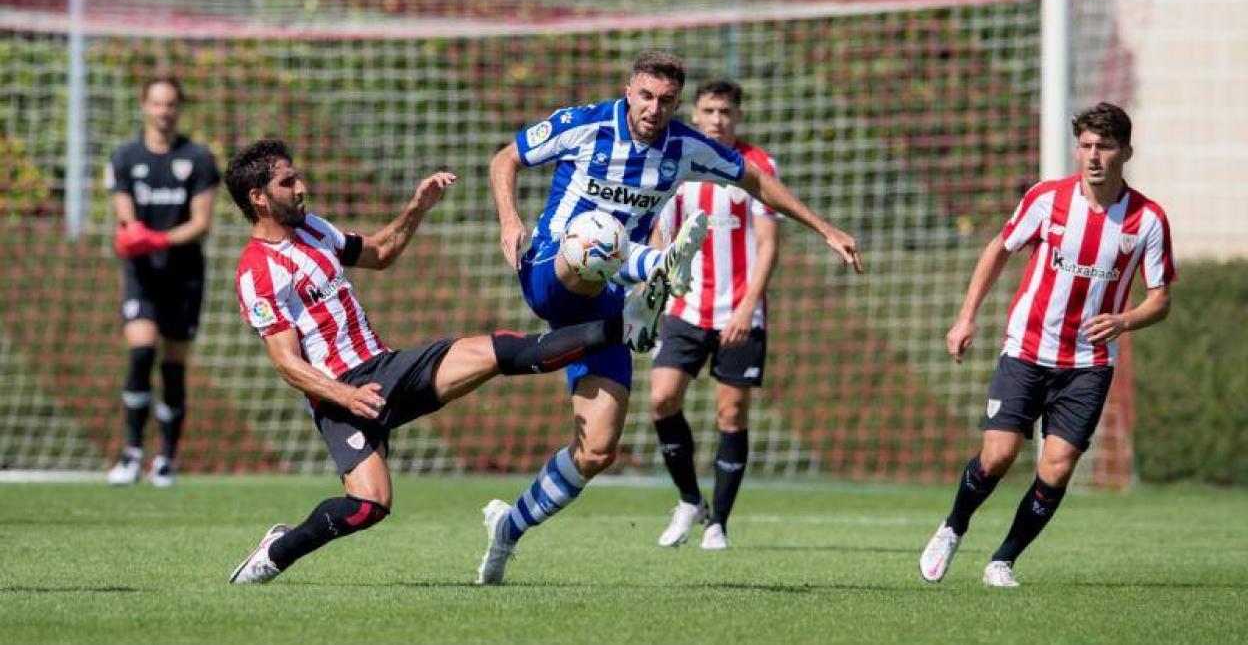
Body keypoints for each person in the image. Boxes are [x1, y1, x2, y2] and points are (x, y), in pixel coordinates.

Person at [482, 50, 863, 584]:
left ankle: (509, 529)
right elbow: (506, 159)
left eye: (666, 101)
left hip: (604, 302)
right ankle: (656, 270)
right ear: (628, 91)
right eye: (645, 96)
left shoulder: (683, 147)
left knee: (597, 450)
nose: (653, 109)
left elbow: (754, 180)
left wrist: (825, 228)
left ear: (676, 103)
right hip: (551, 268)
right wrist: (509, 218)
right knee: (597, 236)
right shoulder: (586, 124)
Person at [223, 139, 660, 584]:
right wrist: (347, 396)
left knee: (496, 352)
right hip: (340, 393)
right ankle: (277, 551)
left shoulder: (313, 229)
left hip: (386, 368)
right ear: (258, 197)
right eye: (287, 182)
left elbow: (379, 252)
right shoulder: (257, 271)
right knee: (369, 505)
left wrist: (417, 208)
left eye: (296, 176)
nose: (301, 187)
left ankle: (624, 326)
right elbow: (286, 363)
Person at [919, 102, 1176, 587]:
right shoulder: (1047, 199)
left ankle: (1002, 561)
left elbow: (1160, 299)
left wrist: (1124, 320)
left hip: (1089, 364)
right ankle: (953, 526)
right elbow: (999, 249)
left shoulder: (1147, 220)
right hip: (1027, 350)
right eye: (1086, 145)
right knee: (997, 456)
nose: (1093, 156)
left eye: (1104, 146)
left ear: (1126, 152)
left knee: (1055, 470)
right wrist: (966, 316)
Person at [648, 79, 781, 551]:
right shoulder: (676, 159)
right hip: (684, 308)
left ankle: (718, 522)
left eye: (725, 111)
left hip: (739, 313)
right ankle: (690, 500)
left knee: (731, 412)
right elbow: (661, 234)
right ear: (695, 114)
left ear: (737, 116)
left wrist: (748, 306)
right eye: (709, 111)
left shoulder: (757, 165)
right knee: (662, 398)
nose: (717, 119)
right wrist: (655, 289)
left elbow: (768, 245)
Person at [105, 76, 220, 488]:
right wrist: (133, 232)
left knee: (173, 364)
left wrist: (159, 239)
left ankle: (166, 458)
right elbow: (124, 210)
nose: (164, 111)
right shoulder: (125, 156)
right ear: (144, 106)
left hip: (184, 277)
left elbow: (201, 223)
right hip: (142, 275)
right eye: (156, 103)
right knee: (141, 351)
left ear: (179, 108)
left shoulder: (198, 158)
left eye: (170, 104)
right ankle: (132, 452)